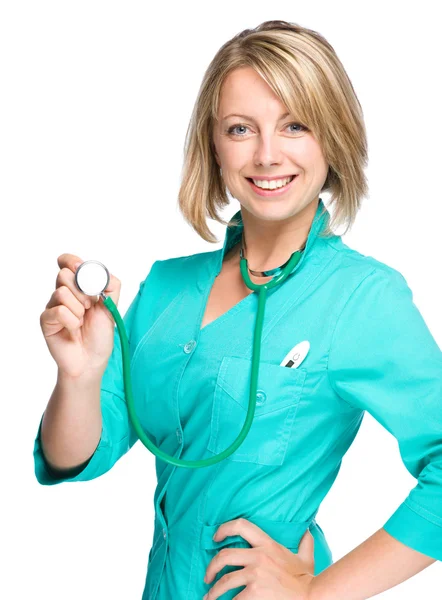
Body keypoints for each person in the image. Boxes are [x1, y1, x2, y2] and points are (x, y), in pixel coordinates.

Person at [34, 20, 441, 600]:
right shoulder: (165, 288)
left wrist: (317, 593)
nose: (267, 154)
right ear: (214, 144)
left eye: (295, 125)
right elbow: (76, 458)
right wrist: (77, 377)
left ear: (334, 137)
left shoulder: (361, 298)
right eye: (241, 128)